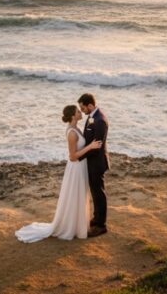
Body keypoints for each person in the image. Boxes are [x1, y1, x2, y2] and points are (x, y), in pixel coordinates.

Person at [14, 105, 102, 243]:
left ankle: (78, 225)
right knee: (74, 196)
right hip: (76, 168)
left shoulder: (76, 128)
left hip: (81, 167)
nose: (80, 112)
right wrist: (90, 147)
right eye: (78, 111)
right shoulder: (72, 133)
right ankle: (70, 227)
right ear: (73, 116)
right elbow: (72, 156)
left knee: (79, 196)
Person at [78, 93, 109, 238]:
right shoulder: (92, 117)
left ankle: (101, 225)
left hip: (97, 163)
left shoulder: (100, 120)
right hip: (91, 163)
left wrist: (78, 156)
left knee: (99, 194)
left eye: (82, 108)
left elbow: (96, 146)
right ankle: (96, 219)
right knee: (95, 193)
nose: (82, 111)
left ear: (89, 105)